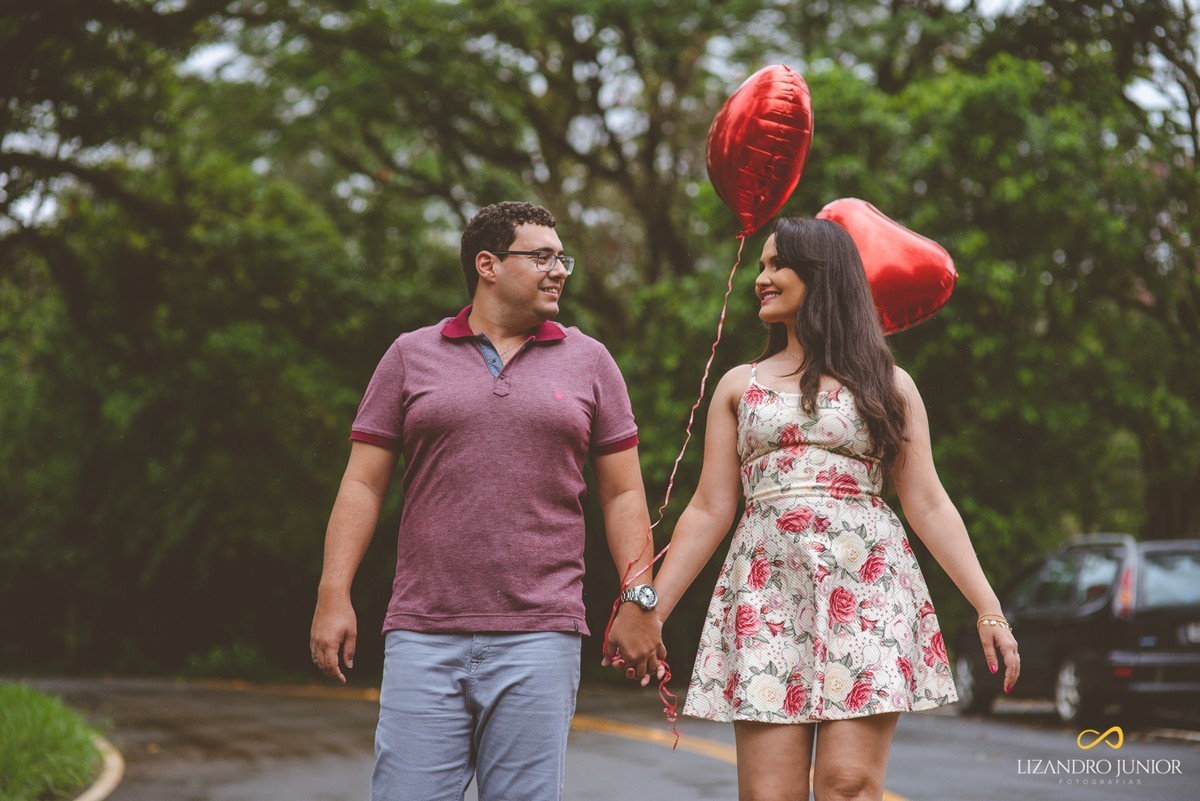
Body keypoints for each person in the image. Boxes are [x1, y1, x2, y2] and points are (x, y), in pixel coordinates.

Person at [606, 217, 1020, 801]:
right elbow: (708, 508)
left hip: (867, 588)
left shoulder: (890, 384)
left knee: (848, 785)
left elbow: (928, 502)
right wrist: (652, 610)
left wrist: (989, 609)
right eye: (760, 266)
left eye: (777, 264)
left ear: (821, 275)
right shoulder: (739, 385)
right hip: (767, 592)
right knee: (769, 794)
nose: (761, 278)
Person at [310, 201, 654, 801]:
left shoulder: (590, 361)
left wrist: (638, 596)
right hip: (423, 631)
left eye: (562, 258)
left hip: (541, 633)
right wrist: (332, 592)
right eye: (542, 256)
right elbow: (363, 484)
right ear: (488, 265)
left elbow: (624, 493)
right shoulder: (409, 355)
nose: (559, 270)